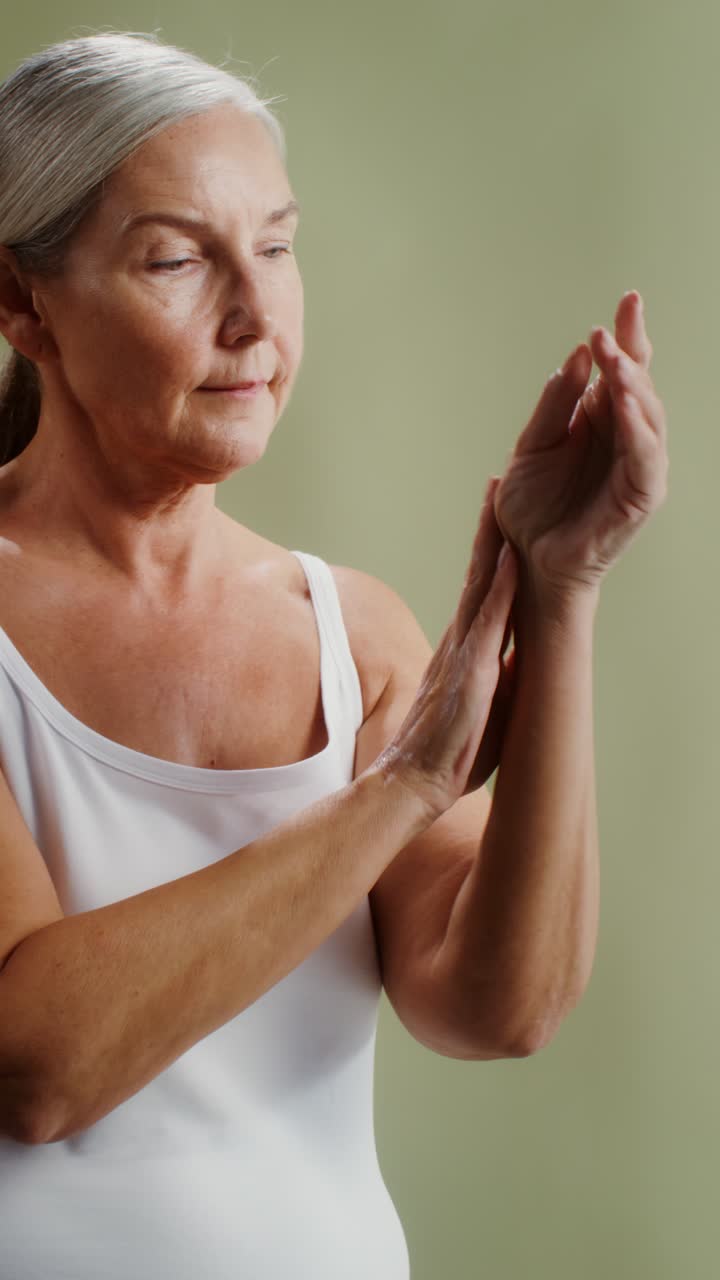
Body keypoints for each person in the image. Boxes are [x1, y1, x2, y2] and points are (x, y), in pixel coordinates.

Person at [0, 30, 667, 1280]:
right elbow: (37, 1064)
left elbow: (495, 1007)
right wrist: (403, 785)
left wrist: (561, 586)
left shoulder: (349, 629)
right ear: (21, 301)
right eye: (177, 259)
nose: (254, 314)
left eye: (276, 245)